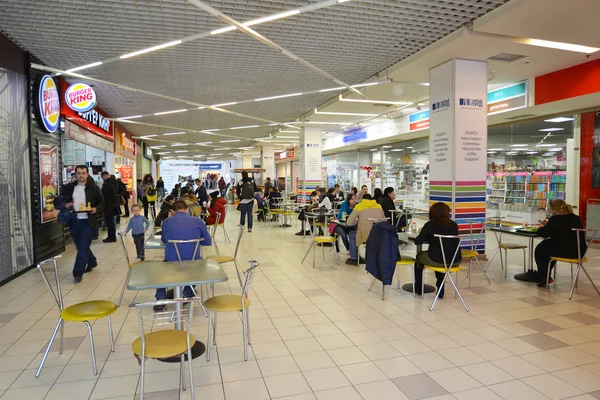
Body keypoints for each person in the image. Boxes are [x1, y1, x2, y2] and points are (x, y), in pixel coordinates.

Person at [156, 200, 212, 311]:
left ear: (172, 211)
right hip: (194, 262)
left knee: (160, 270)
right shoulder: (198, 221)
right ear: (187, 210)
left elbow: (164, 240)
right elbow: (207, 242)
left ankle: (160, 299)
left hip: (172, 262)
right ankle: (187, 292)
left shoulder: (167, 222)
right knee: (199, 263)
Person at [63, 165, 104, 282]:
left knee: (82, 247)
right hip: (74, 220)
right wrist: (65, 205)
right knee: (80, 246)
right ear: (75, 174)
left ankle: (77, 273)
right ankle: (92, 261)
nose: (81, 175)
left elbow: (102, 203)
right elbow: (62, 201)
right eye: (79, 173)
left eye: (83, 173)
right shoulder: (69, 188)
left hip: (88, 221)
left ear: (87, 174)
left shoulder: (94, 188)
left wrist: (96, 209)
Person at [414, 202, 462, 298]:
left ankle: (419, 288)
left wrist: (424, 233)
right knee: (441, 256)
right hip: (454, 259)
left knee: (419, 258)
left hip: (437, 259)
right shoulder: (454, 225)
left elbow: (418, 241)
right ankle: (440, 286)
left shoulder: (430, 225)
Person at [535, 200, 586, 287]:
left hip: (563, 252)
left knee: (540, 249)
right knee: (548, 248)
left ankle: (544, 276)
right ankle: (545, 276)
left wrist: (541, 228)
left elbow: (544, 234)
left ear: (554, 210)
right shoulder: (576, 218)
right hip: (579, 252)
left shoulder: (555, 219)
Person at [345, 194, 385, 265]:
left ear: (362, 200)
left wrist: (359, 221)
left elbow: (349, 223)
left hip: (365, 235)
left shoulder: (359, 206)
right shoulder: (379, 206)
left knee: (352, 234)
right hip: (379, 234)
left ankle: (354, 258)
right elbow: (384, 220)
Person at [100, 171, 119, 243]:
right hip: (114, 205)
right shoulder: (114, 182)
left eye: (102, 178)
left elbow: (104, 196)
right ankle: (112, 236)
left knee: (109, 222)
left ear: (104, 176)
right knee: (112, 222)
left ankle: (111, 237)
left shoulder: (106, 184)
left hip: (108, 206)